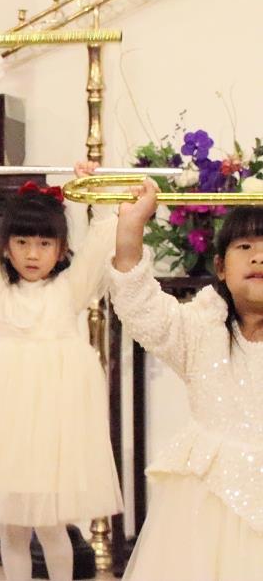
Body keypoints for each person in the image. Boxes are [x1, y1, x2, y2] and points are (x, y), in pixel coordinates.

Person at [0, 164, 123, 581]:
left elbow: (101, 243)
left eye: (44, 243)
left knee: (51, 526)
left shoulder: (69, 291)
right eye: (21, 242)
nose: (33, 254)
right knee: (13, 529)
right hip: (3, 429)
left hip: (51, 431)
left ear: (61, 249)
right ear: (5, 247)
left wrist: (95, 192)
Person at [111, 181, 263, 580]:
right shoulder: (199, 329)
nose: (258, 256)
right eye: (245, 246)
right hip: (204, 508)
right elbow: (140, 305)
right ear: (221, 267)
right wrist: (131, 228)